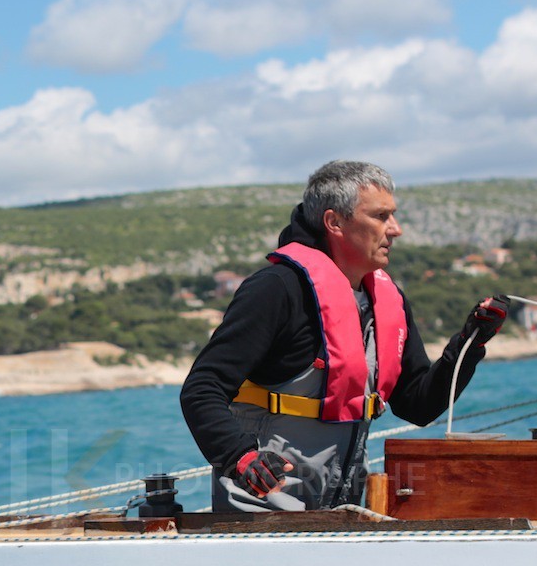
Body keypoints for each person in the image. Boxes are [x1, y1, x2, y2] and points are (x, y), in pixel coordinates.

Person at [179, 160, 507, 512]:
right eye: (381, 217)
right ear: (335, 222)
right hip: (261, 513)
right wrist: (240, 457)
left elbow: (419, 405)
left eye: (393, 216)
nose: (396, 230)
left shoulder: (387, 299)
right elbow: (202, 389)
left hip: (339, 512)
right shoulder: (276, 290)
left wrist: (470, 343)